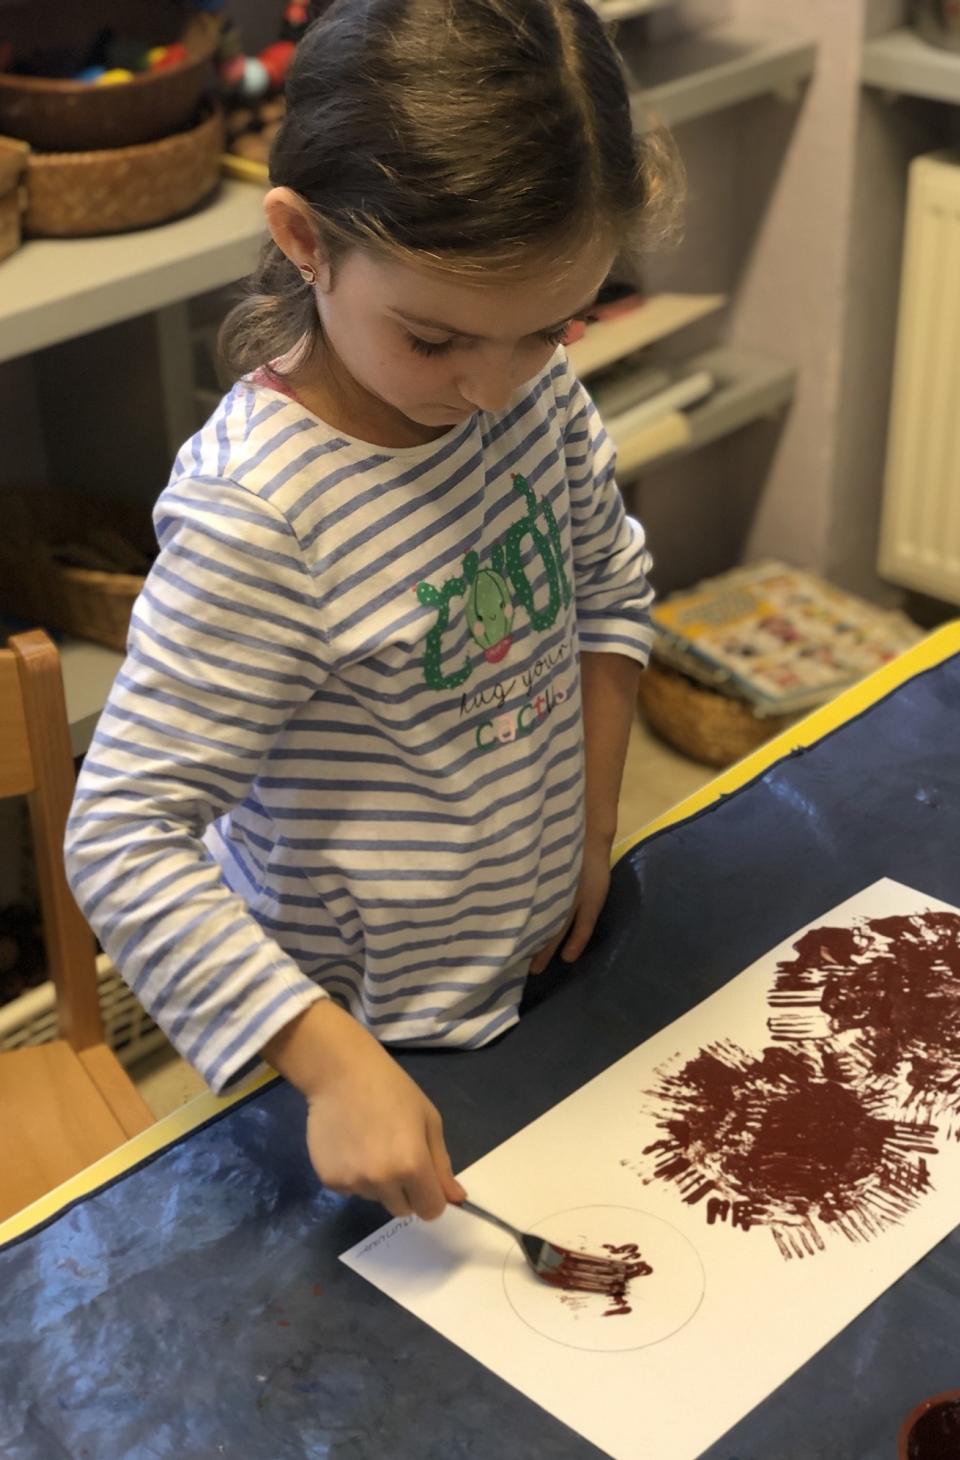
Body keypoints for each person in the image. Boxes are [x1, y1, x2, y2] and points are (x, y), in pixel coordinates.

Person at [65, 0, 681, 1227]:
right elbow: (123, 835)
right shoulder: (262, 519)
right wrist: (333, 1065)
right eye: (436, 339)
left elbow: (610, 591)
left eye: (548, 328)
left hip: (524, 966)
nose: (495, 389)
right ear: (305, 240)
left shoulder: (533, 391)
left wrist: (592, 826)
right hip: (354, 1047)